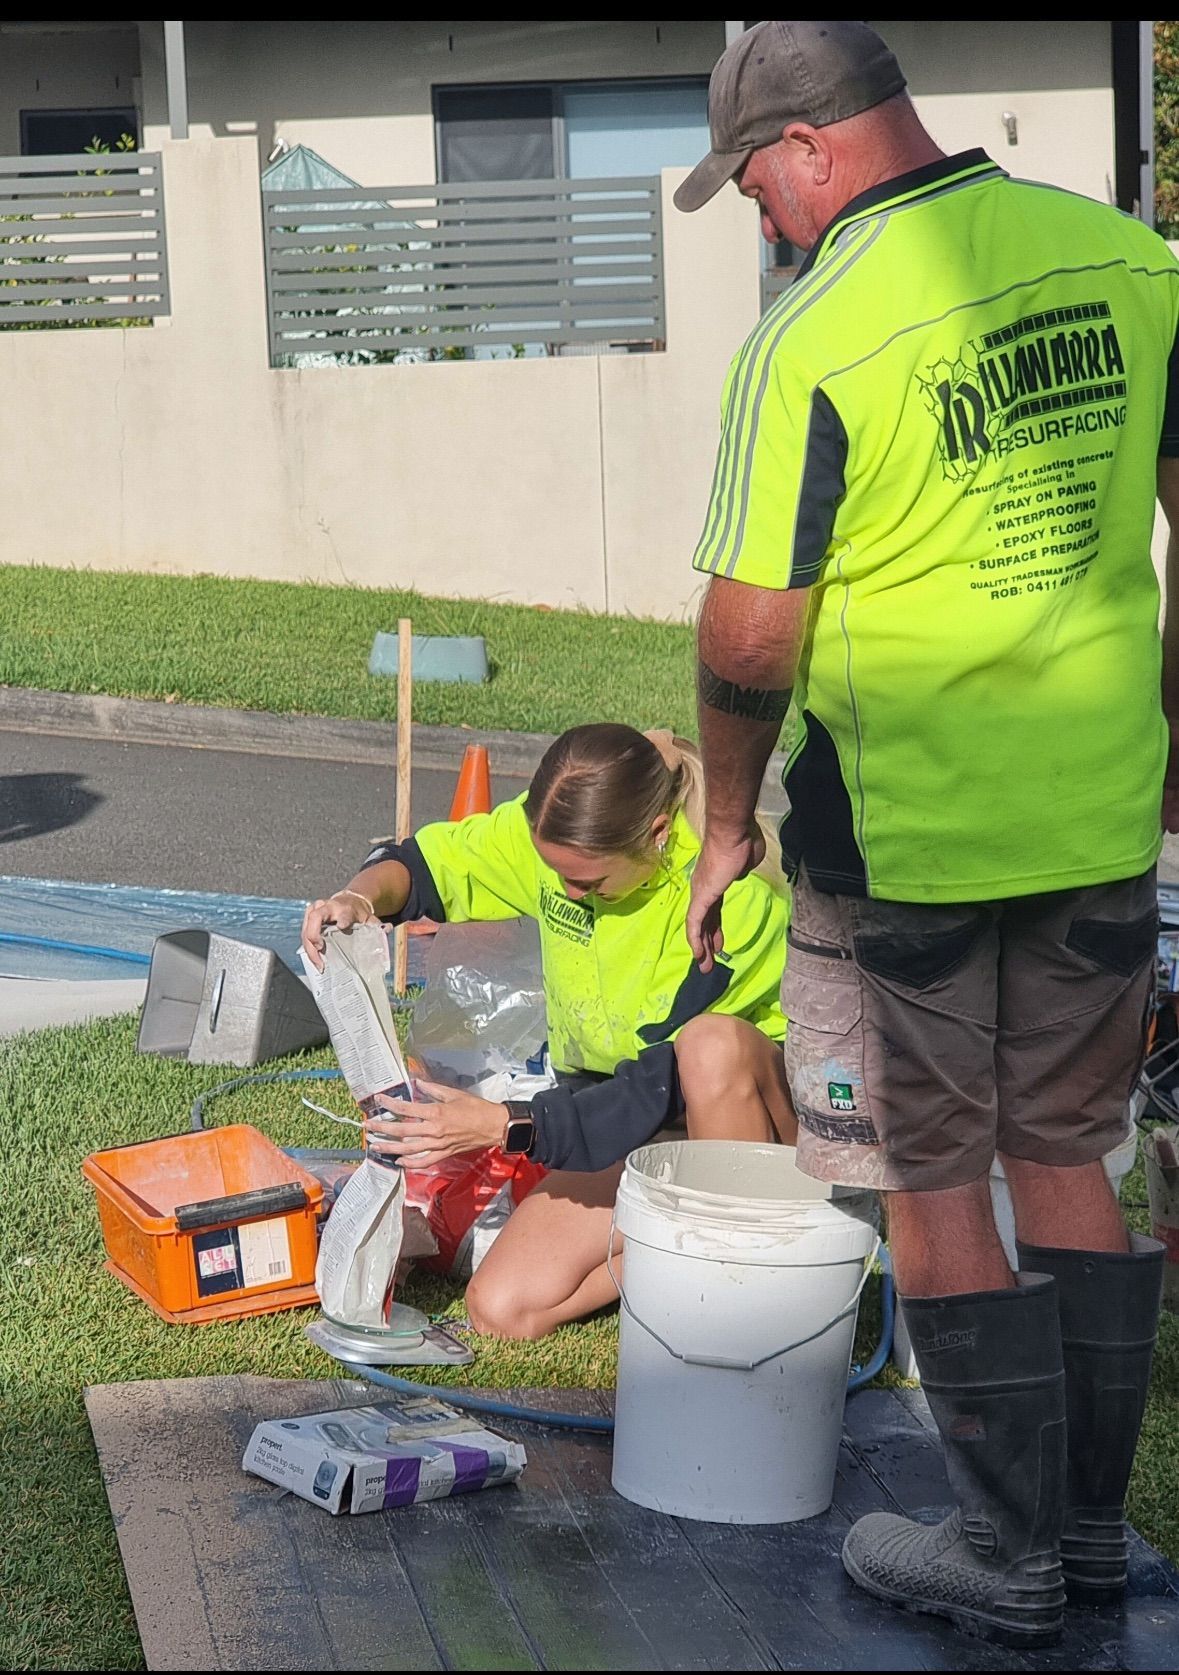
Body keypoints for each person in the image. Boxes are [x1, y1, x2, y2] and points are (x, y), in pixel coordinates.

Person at [676, 18, 1175, 1652]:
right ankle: (1085, 1543)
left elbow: (750, 637)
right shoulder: (1125, 262)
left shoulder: (811, 335)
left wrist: (723, 820)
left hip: (909, 838)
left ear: (812, 145)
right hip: (1099, 806)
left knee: (928, 1169)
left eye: (751, 180)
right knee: (1069, 1152)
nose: (758, 216)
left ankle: (999, 1548)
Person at [302, 723, 795, 1341]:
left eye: (587, 884)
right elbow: (423, 864)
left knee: (710, 1048)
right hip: (624, 1129)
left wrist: (501, 1123)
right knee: (503, 1309)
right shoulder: (556, 842)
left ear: (659, 836)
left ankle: (742, 1293)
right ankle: (694, 1257)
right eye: (554, 873)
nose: (566, 893)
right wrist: (359, 899)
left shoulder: (731, 896)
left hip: (729, 1123)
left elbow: (654, 1088)